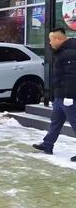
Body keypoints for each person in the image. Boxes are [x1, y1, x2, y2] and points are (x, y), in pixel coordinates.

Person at [32, 28, 76, 161]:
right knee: (55, 121)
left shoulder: (71, 52)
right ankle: (48, 144)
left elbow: (72, 76)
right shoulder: (62, 51)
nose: (49, 43)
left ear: (58, 39)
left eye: (50, 40)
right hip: (60, 96)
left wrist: (69, 96)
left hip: (69, 96)